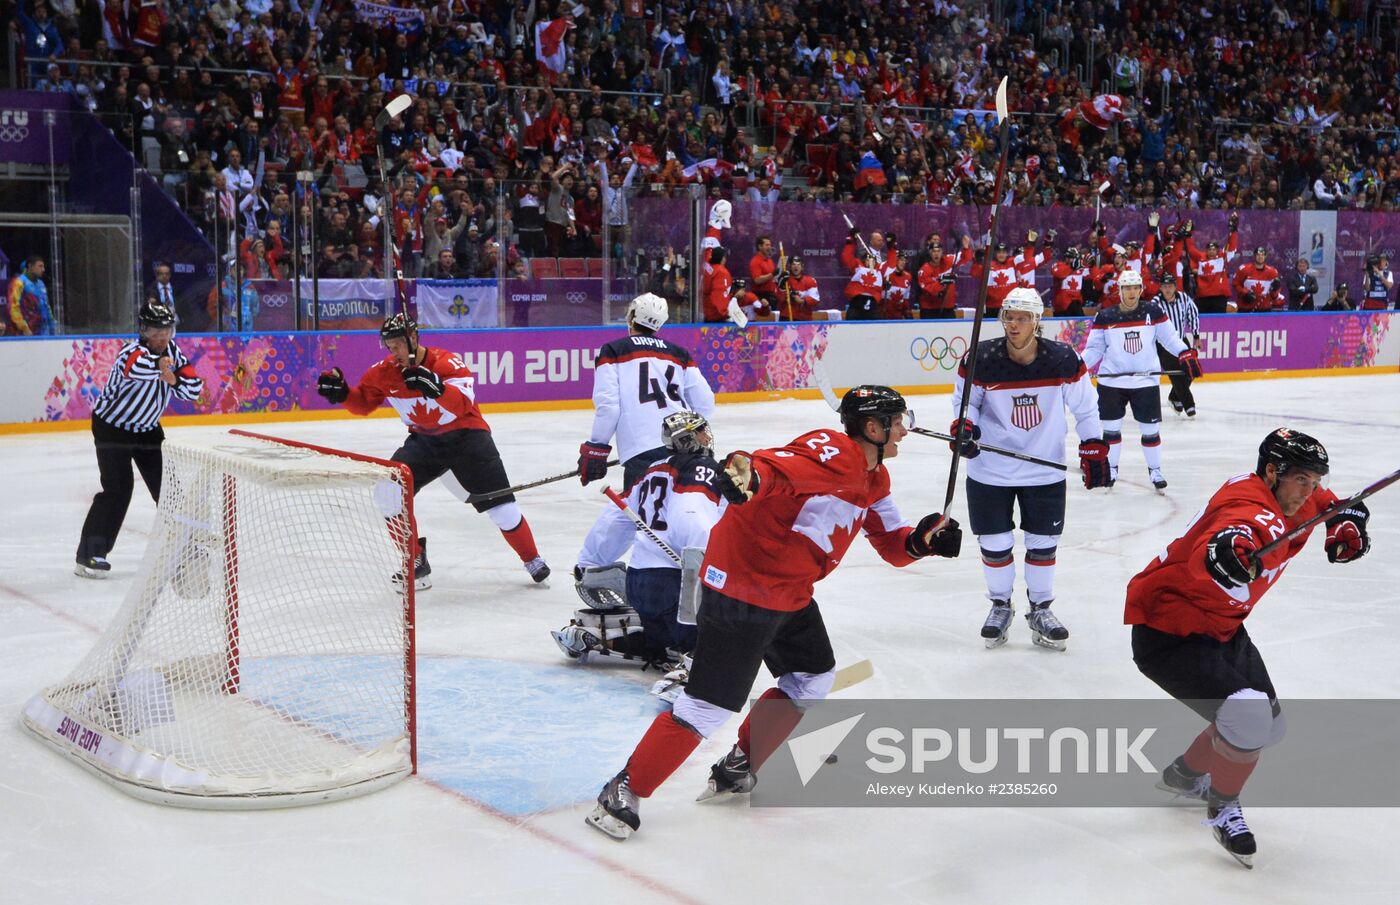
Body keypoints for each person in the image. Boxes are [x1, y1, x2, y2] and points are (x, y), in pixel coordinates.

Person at [587, 386, 963, 840]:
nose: (906, 427)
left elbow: (893, 545)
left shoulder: (874, 478)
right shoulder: (834, 450)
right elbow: (775, 465)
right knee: (707, 706)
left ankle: (738, 763)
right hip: (743, 589)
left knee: (812, 679)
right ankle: (624, 788)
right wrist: (748, 474)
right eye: (898, 420)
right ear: (872, 427)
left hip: (789, 592)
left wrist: (925, 542)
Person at [1126, 429, 1371, 868]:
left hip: (1221, 628)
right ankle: (1222, 806)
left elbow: (1338, 504)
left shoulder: (1294, 493)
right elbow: (1225, 534)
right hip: (1169, 632)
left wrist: (1347, 523)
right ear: (1273, 471)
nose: (1308, 491)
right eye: (1301, 480)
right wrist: (1226, 553)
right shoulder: (1249, 506)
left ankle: (1184, 774)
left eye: (1314, 481)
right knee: (1249, 719)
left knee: (1267, 726)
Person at [316, 314, 549, 588]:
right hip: (424, 443)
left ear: (414, 339)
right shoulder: (383, 372)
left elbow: (463, 405)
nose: (394, 353)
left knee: (503, 511)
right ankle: (415, 561)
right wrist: (343, 394)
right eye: (389, 347)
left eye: (398, 346)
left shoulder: (446, 363)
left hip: (468, 439)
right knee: (387, 491)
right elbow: (364, 403)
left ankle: (532, 558)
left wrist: (436, 387)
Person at [950, 287, 1110, 650]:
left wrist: (1094, 445)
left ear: (1037, 322)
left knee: (1042, 544)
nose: (1014, 324)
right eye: (1009, 316)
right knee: (995, 543)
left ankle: (1040, 608)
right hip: (990, 470)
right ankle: (1000, 605)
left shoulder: (1063, 359)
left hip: (1045, 469)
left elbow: (1085, 407)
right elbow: (965, 402)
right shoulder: (981, 357)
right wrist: (964, 428)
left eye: (1022, 317)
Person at [555, 411, 726, 692]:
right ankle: (686, 673)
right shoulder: (703, 469)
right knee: (711, 645)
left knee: (658, 642)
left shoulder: (652, 468)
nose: (707, 437)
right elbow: (692, 518)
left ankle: (595, 638)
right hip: (677, 583)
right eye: (700, 432)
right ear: (689, 439)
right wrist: (704, 566)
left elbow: (614, 520)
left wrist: (590, 563)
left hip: (640, 582)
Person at [75, 301, 203, 577]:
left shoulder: (174, 353)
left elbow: (194, 389)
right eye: (156, 330)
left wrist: (173, 379)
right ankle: (90, 555)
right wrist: (163, 368)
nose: (163, 336)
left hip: (147, 430)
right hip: (113, 428)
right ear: (144, 330)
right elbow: (138, 368)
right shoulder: (130, 352)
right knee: (117, 489)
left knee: (169, 491)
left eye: (167, 330)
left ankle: (186, 546)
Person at [579, 293, 717, 491]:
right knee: (680, 516)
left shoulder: (612, 350)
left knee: (647, 519)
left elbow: (609, 407)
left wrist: (596, 449)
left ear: (631, 318)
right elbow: (705, 404)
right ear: (659, 325)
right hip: (686, 447)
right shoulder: (680, 354)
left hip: (642, 451)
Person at [1081, 270, 1203, 491]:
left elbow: (1170, 338)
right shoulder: (1105, 317)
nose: (1131, 292)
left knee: (1150, 430)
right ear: (1119, 291)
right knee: (1111, 429)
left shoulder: (1153, 312)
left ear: (1141, 289)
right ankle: (1112, 469)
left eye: (1135, 287)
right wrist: (1079, 366)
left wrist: (1185, 353)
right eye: (1126, 288)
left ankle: (1155, 471)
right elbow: (1094, 349)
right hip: (1112, 382)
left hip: (1145, 382)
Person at [1151, 274, 1202, 417]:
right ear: (1160, 288)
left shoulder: (1184, 298)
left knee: (1191, 368)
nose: (1167, 290)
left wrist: (1196, 336)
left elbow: (1193, 314)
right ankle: (1189, 406)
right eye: (1164, 287)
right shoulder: (1155, 302)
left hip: (1180, 340)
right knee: (1176, 373)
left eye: (1170, 286)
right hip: (1163, 344)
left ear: (1175, 287)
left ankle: (1174, 397)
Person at [1184, 214, 1239, 314]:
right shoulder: (1201, 257)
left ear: (1218, 250)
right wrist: (1188, 235)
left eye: (1214, 249)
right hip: (1202, 297)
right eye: (1209, 249)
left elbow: (1231, 246)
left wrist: (1234, 231)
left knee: (1219, 322)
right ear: (1206, 250)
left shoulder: (1223, 257)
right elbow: (1191, 249)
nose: (1212, 251)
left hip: (1219, 297)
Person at [5, 254, 55, 336]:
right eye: (40, 266)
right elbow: (13, 307)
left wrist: (52, 325)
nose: (43, 269)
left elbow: (47, 306)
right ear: (30, 266)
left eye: (43, 266)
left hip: (43, 330)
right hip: (26, 332)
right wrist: (24, 327)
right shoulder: (18, 283)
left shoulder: (41, 284)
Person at [915, 233, 959, 319]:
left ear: (942, 252)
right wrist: (941, 283)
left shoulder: (948, 261)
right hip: (929, 309)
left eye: (938, 251)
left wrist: (966, 248)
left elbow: (964, 258)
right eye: (934, 251)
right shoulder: (923, 270)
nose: (936, 254)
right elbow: (928, 288)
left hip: (947, 307)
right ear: (930, 253)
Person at [1231, 247, 1282, 312]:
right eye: (1258, 254)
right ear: (1254, 256)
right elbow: (1235, 284)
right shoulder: (1244, 269)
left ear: (1265, 256)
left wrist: (1275, 290)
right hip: (1246, 308)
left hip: (1265, 308)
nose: (1260, 257)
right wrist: (1244, 293)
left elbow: (1274, 294)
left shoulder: (1273, 272)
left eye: (1262, 255)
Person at [775, 255, 820, 320]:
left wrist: (802, 301)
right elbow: (778, 298)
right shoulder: (785, 280)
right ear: (789, 266)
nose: (796, 266)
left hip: (804, 319)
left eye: (798, 264)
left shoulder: (810, 281)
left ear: (802, 267)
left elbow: (815, 299)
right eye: (793, 264)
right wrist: (781, 288)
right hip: (787, 318)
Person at [1050, 246, 1090, 317]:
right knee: (1061, 327)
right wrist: (1071, 268)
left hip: (1076, 303)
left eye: (1074, 258)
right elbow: (1058, 274)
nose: (1071, 259)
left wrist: (1092, 265)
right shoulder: (1059, 265)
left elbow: (1093, 276)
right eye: (1069, 257)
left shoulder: (1081, 269)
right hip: (1062, 305)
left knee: (1081, 325)